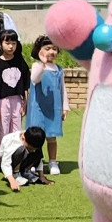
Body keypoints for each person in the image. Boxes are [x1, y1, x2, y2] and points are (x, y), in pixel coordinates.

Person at [27, 36, 70, 175]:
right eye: (47, 49)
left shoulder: (59, 69)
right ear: (39, 51)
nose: (51, 51)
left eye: (54, 48)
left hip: (53, 108)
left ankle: (52, 162)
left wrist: (65, 107)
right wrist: (43, 64)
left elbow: (62, 89)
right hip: (37, 107)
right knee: (36, 137)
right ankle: (35, 162)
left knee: (52, 137)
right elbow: (35, 78)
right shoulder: (37, 66)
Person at [0, 29, 30, 160]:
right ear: (0, 43)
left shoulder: (20, 62)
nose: (10, 46)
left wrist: (25, 102)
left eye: (13, 43)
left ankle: (15, 158)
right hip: (2, 101)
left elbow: (26, 84)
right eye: (7, 43)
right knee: (2, 129)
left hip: (18, 100)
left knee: (17, 129)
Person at [0, 126, 49, 190]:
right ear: (23, 138)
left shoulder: (32, 138)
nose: (33, 151)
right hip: (5, 164)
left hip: (23, 162)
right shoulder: (11, 140)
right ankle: (16, 174)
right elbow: (5, 163)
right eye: (31, 148)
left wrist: (42, 176)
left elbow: (39, 158)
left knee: (38, 149)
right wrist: (12, 181)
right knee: (21, 149)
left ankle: (25, 172)